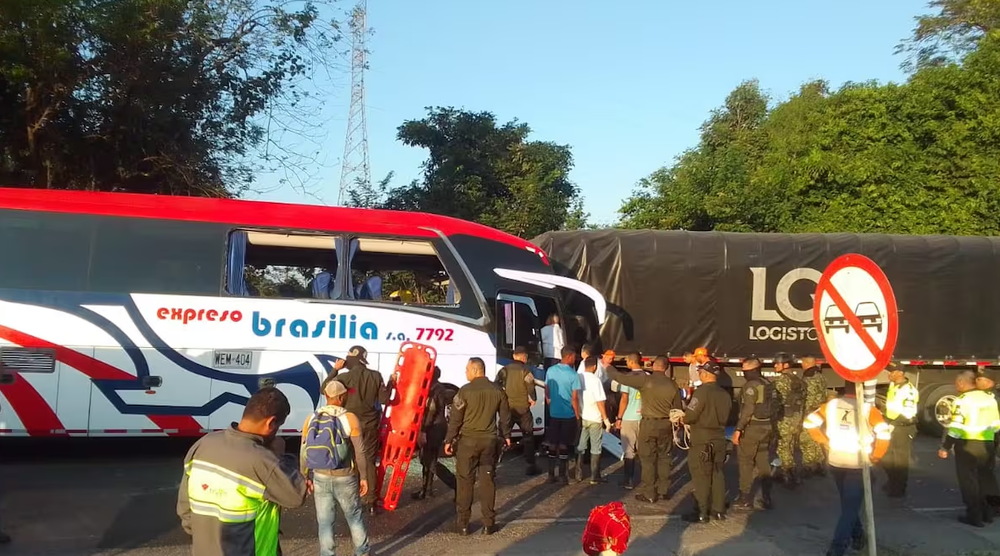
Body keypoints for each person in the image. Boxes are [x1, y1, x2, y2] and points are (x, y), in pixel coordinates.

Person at [177, 387, 308, 556]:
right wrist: (282, 455)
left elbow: (185, 509)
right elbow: (296, 495)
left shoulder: (202, 444)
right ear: (271, 422)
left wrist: (206, 539)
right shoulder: (261, 459)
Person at [804, 386, 891, 556]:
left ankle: (857, 535)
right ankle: (837, 549)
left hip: (837, 461)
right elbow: (884, 434)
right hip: (858, 463)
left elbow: (809, 423)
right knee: (850, 510)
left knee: (848, 505)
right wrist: (876, 456)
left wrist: (825, 441)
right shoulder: (868, 409)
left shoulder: (830, 405)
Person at [301, 379, 371, 556]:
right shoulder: (349, 418)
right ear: (341, 397)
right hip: (345, 476)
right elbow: (360, 452)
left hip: (320, 476)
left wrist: (305, 476)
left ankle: (327, 553)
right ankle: (362, 552)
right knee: (354, 517)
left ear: (326, 396)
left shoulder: (311, 418)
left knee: (325, 521)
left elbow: (303, 450)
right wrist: (363, 477)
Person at [444, 357, 512, 535]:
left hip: (468, 442)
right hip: (489, 442)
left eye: (467, 369)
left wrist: (449, 440)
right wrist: (507, 436)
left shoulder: (464, 392)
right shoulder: (498, 391)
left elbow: (455, 419)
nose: (465, 372)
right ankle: (488, 523)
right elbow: (505, 417)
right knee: (487, 481)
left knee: (465, 482)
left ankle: (464, 524)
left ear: (475, 370)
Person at [606, 353, 684, 503]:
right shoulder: (673, 384)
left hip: (648, 424)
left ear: (654, 366)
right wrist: (677, 427)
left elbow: (622, 379)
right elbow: (677, 409)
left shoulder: (646, 380)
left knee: (647, 458)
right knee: (664, 457)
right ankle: (663, 491)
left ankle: (649, 492)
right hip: (666, 424)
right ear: (667, 368)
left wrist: (608, 367)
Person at [332, 345, 397, 514]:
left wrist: (334, 371)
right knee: (368, 462)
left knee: (351, 460)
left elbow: (325, 388)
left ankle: (353, 498)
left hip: (349, 424)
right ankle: (371, 502)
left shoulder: (343, 377)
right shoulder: (375, 376)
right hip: (370, 424)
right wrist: (391, 383)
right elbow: (384, 399)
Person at [938, 370, 1000, 527]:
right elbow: (996, 425)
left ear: (961, 383)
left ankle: (974, 517)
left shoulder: (962, 400)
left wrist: (946, 446)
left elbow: (956, 427)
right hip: (986, 444)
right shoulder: (990, 399)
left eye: (956, 382)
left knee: (969, 482)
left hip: (967, 446)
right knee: (983, 480)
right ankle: (987, 514)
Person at [681, 363, 732, 523]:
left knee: (701, 476)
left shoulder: (701, 392)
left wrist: (682, 418)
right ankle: (718, 510)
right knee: (717, 473)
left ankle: (702, 512)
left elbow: (690, 415)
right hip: (719, 438)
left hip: (702, 439)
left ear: (704, 374)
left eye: (700, 372)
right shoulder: (725, 393)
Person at [732, 357, 777, 511]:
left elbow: (747, 410)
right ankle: (767, 497)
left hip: (753, 428)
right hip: (767, 427)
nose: (744, 373)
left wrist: (738, 429)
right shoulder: (768, 383)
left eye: (745, 370)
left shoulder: (751, 386)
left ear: (751, 370)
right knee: (763, 461)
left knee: (746, 462)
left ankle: (745, 497)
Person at [413, 366, 458, 499]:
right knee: (429, 458)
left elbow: (431, 410)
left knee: (428, 460)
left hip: (432, 427)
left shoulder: (431, 388)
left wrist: (423, 431)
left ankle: (456, 484)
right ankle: (427, 490)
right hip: (438, 426)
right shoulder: (439, 387)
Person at [496, 347, 541, 476]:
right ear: (524, 357)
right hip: (523, 410)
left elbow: (497, 385)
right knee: (528, 437)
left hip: (507, 409)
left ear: (514, 356)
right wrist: (533, 399)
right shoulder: (526, 371)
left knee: (502, 436)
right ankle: (531, 466)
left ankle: (493, 465)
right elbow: (531, 387)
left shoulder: (504, 370)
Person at [545, 347, 582, 484]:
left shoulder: (551, 370)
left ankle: (550, 474)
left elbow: (547, 391)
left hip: (554, 413)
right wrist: (577, 416)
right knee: (564, 444)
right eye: (574, 357)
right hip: (568, 414)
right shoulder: (573, 375)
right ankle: (562, 475)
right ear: (570, 356)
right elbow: (574, 398)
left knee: (552, 443)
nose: (575, 359)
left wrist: (551, 405)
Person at [881, 363, 919, 498]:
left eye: (891, 372)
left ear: (900, 373)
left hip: (903, 427)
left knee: (900, 461)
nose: (888, 374)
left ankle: (899, 488)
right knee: (886, 457)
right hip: (892, 425)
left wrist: (892, 425)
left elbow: (907, 414)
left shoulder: (908, 391)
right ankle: (893, 481)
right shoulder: (894, 386)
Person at [613, 354, 650, 490]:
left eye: (627, 360)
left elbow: (624, 399)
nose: (626, 362)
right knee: (644, 450)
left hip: (629, 417)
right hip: (644, 417)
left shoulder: (627, 378)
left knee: (629, 450)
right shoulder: (647, 376)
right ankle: (647, 481)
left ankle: (628, 480)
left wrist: (619, 418)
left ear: (631, 361)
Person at [576, 356, 612, 484]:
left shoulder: (578, 377)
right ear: (595, 367)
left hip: (583, 416)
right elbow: (600, 402)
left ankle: (578, 473)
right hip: (595, 418)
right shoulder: (596, 380)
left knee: (581, 445)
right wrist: (606, 419)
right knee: (596, 447)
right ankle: (594, 476)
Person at [773, 352, 807, 488]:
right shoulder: (799, 381)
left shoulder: (782, 381)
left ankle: (788, 477)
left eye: (777, 363)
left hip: (785, 419)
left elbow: (776, 402)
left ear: (785, 365)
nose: (775, 366)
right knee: (790, 447)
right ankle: (791, 475)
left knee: (783, 448)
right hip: (797, 418)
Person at [799, 356, 828, 478]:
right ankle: (820, 465)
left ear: (806, 363)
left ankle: (809, 466)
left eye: (802, 363)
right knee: (817, 437)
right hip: (820, 412)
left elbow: (808, 398)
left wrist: (803, 414)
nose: (801, 365)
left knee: (806, 439)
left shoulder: (809, 378)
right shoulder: (821, 376)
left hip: (809, 412)